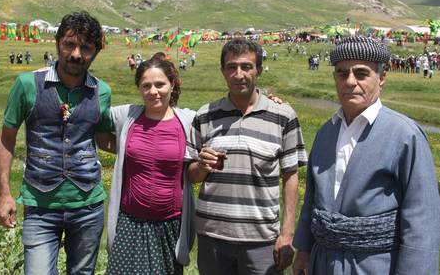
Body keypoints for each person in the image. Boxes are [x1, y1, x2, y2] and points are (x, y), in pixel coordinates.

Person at [292, 36, 440, 275]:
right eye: (342, 73)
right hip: (322, 263)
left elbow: (422, 217)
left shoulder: (405, 135)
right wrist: (304, 250)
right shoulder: (325, 132)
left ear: (382, 78)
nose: (350, 82)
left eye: (361, 74)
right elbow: (311, 199)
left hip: (375, 265)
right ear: (335, 78)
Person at [0, 11, 112, 275]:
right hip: (40, 205)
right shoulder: (27, 84)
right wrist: (4, 194)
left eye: (86, 47)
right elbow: (6, 138)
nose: (77, 54)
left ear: (97, 51)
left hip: (88, 206)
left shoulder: (102, 92)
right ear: (58, 43)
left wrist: (150, 140)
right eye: (70, 44)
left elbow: (105, 140)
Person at [187, 38, 307, 275]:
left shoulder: (283, 116)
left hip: (262, 240)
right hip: (213, 236)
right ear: (223, 72)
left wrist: (287, 232)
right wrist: (201, 166)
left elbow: (291, 175)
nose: (238, 74)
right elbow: (191, 176)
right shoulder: (205, 115)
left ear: (259, 70)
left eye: (246, 67)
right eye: (231, 67)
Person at [103, 56, 196, 275]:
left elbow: (222, 119)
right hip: (129, 223)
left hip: (170, 225)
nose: (153, 91)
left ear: (172, 85)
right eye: (146, 85)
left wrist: (266, 100)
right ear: (139, 88)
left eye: (160, 84)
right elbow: (91, 112)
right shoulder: (126, 115)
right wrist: (56, 76)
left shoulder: (189, 121)